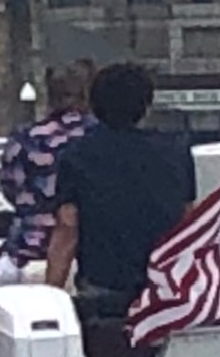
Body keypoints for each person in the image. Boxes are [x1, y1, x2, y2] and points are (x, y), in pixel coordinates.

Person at [44, 62, 193, 312]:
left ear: (94, 104)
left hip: (102, 288)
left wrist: (51, 298)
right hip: (163, 288)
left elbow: (68, 227)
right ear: (145, 106)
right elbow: (187, 222)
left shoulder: (77, 155)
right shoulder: (175, 152)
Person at [0, 62, 97, 292]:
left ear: (50, 95)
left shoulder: (26, 138)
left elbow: (11, 189)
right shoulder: (100, 139)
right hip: (92, 255)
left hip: (28, 251)